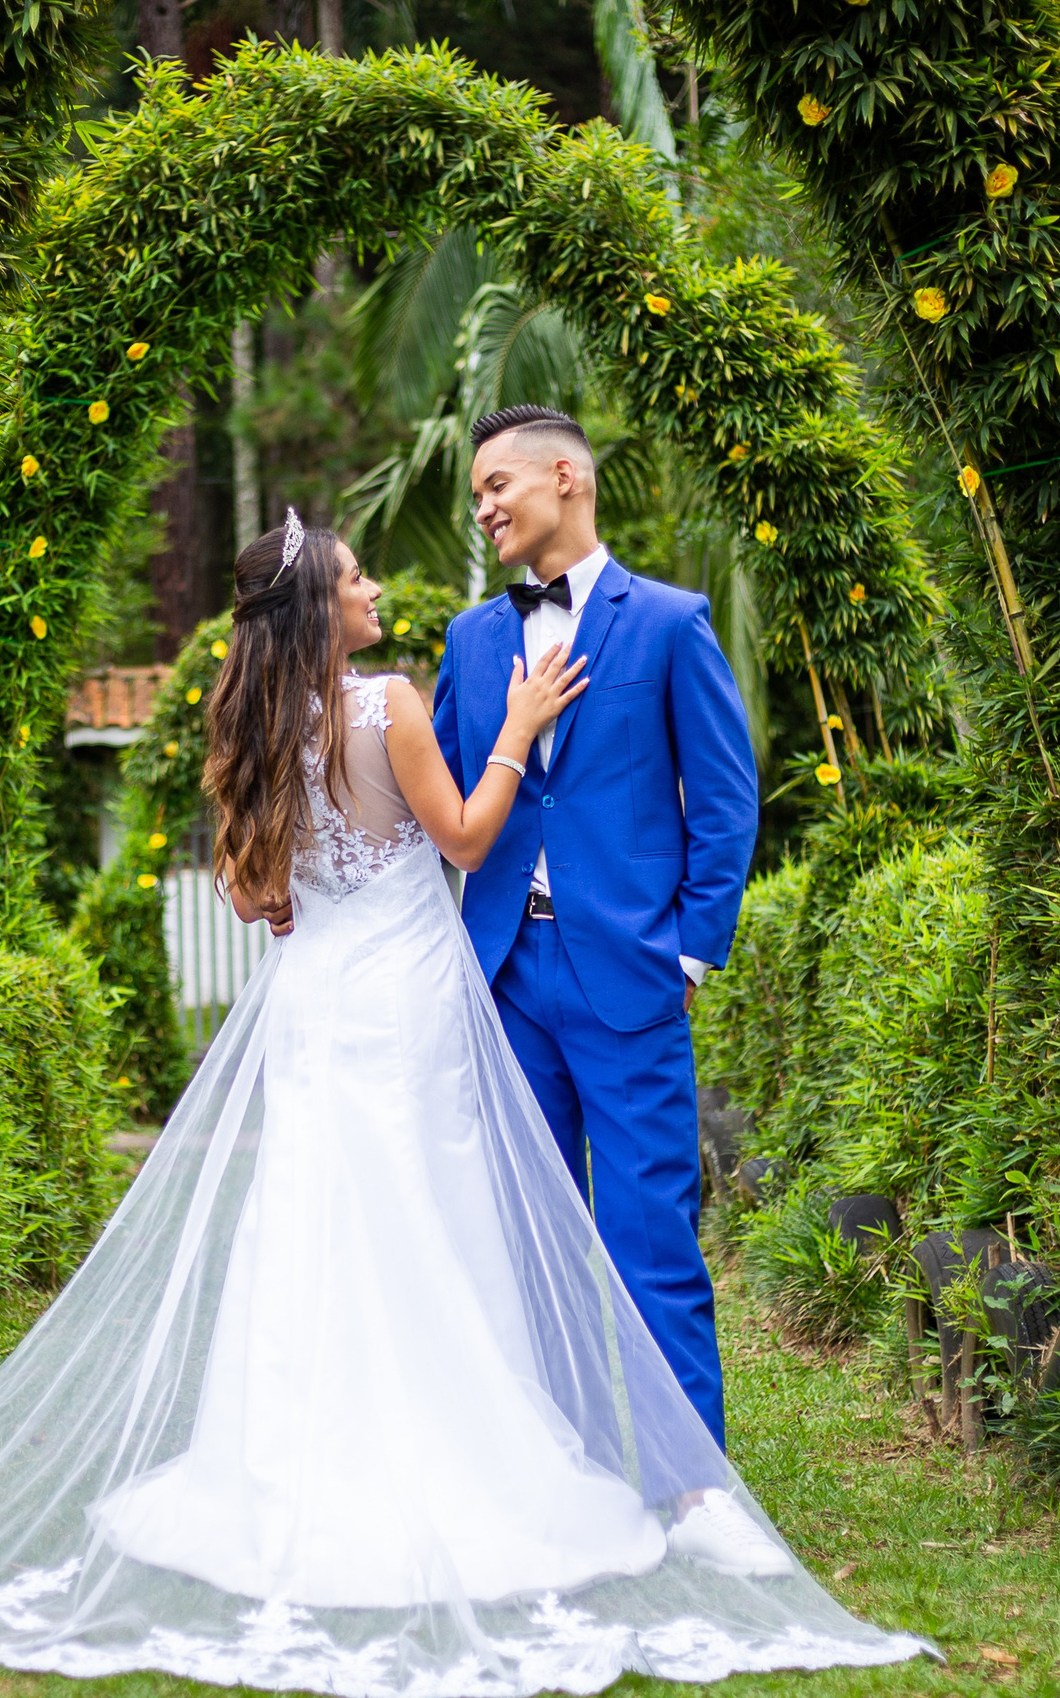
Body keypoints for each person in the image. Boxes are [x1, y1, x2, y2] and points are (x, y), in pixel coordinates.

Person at [0, 512, 926, 1694]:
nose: (373, 589)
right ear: (325, 606)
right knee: (428, 1208)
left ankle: (290, 1463)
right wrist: (523, 729)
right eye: (358, 575)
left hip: (319, 991)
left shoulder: (249, 721)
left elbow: (259, 897)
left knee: (318, 1215)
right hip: (412, 989)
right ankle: (461, 1459)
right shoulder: (386, 706)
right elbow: (470, 837)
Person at [433, 404, 756, 1471]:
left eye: (495, 486)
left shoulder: (668, 622)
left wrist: (688, 951)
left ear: (564, 476)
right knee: (530, 1244)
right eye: (476, 494)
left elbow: (723, 801)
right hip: (505, 977)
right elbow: (431, 797)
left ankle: (689, 1491)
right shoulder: (471, 641)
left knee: (651, 1241)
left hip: (629, 978)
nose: (482, 508)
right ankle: (564, 1479)